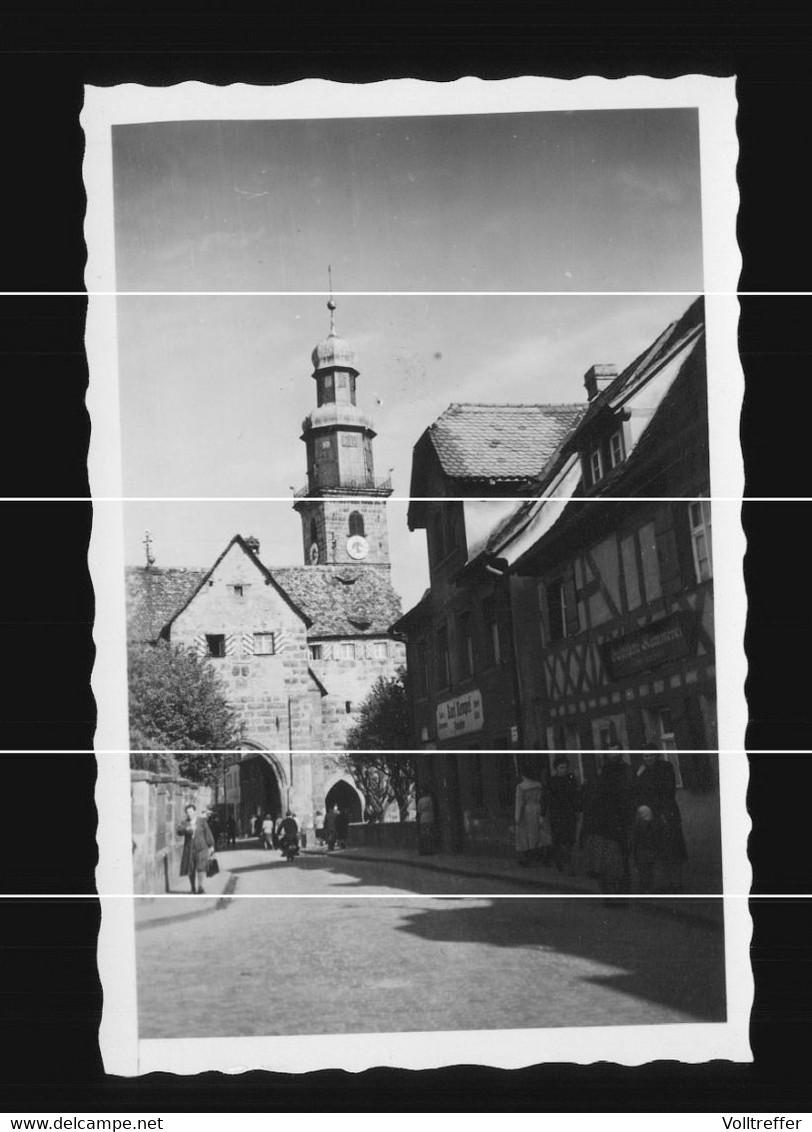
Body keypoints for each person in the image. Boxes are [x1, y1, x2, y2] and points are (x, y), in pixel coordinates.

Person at [633, 743, 688, 893]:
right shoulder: (642, 771)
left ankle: (676, 885)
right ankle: (666, 884)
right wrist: (638, 775)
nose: (648, 758)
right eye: (645, 756)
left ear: (657, 755)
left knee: (673, 850)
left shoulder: (666, 767)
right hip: (650, 817)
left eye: (651, 755)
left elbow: (667, 792)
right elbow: (636, 791)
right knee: (660, 851)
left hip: (666, 814)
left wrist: (653, 809)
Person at [580, 744, 633, 897]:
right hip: (606, 824)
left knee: (614, 857)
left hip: (615, 821)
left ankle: (618, 890)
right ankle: (618, 890)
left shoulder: (619, 772)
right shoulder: (601, 777)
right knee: (612, 858)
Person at [547, 756, 581, 875]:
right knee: (560, 839)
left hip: (569, 813)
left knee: (570, 839)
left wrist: (577, 810)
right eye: (561, 768)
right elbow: (547, 798)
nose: (564, 770)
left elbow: (576, 794)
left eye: (565, 767)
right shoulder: (552, 781)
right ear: (556, 768)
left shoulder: (570, 778)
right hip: (557, 814)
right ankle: (565, 863)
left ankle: (565, 860)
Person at [176, 803, 215, 894]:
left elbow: (207, 833)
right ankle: (193, 888)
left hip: (202, 848)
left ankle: (200, 887)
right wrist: (187, 829)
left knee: (201, 867)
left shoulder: (202, 821)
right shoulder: (185, 823)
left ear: (195, 812)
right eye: (187, 812)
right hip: (189, 849)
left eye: (191, 811)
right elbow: (179, 831)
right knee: (191, 868)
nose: (189, 814)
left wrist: (211, 846)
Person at [514, 767, 544, 868]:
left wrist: (517, 817)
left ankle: (527, 858)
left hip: (527, 811)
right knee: (537, 833)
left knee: (525, 835)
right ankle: (539, 855)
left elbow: (520, 802)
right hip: (538, 809)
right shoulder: (538, 785)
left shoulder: (521, 787)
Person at [416, 789, 437, 855]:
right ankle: (431, 849)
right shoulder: (430, 799)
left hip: (423, 818)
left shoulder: (420, 800)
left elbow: (419, 810)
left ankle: (425, 849)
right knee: (430, 833)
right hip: (430, 817)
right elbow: (432, 807)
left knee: (424, 834)